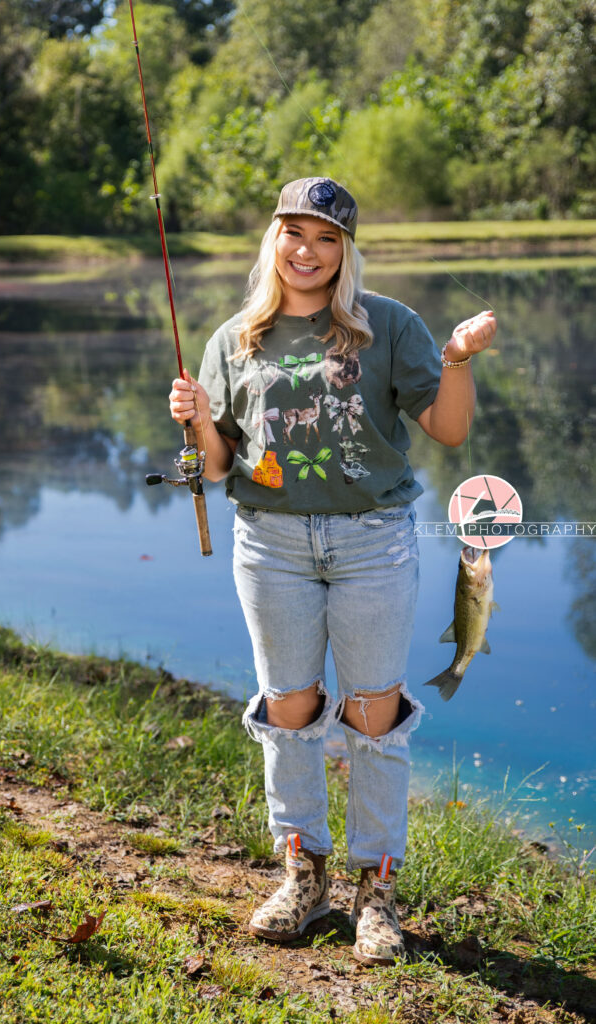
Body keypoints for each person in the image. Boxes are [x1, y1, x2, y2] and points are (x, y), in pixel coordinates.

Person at [168, 177, 496, 965]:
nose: (306, 251)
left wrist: (453, 358)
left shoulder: (386, 324)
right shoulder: (232, 338)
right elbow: (214, 470)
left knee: (373, 713)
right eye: (293, 234)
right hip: (269, 544)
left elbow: (447, 430)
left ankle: (375, 888)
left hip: (372, 541)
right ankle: (302, 876)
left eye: (323, 238)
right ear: (272, 241)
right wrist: (198, 421)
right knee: (288, 707)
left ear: (343, 249)